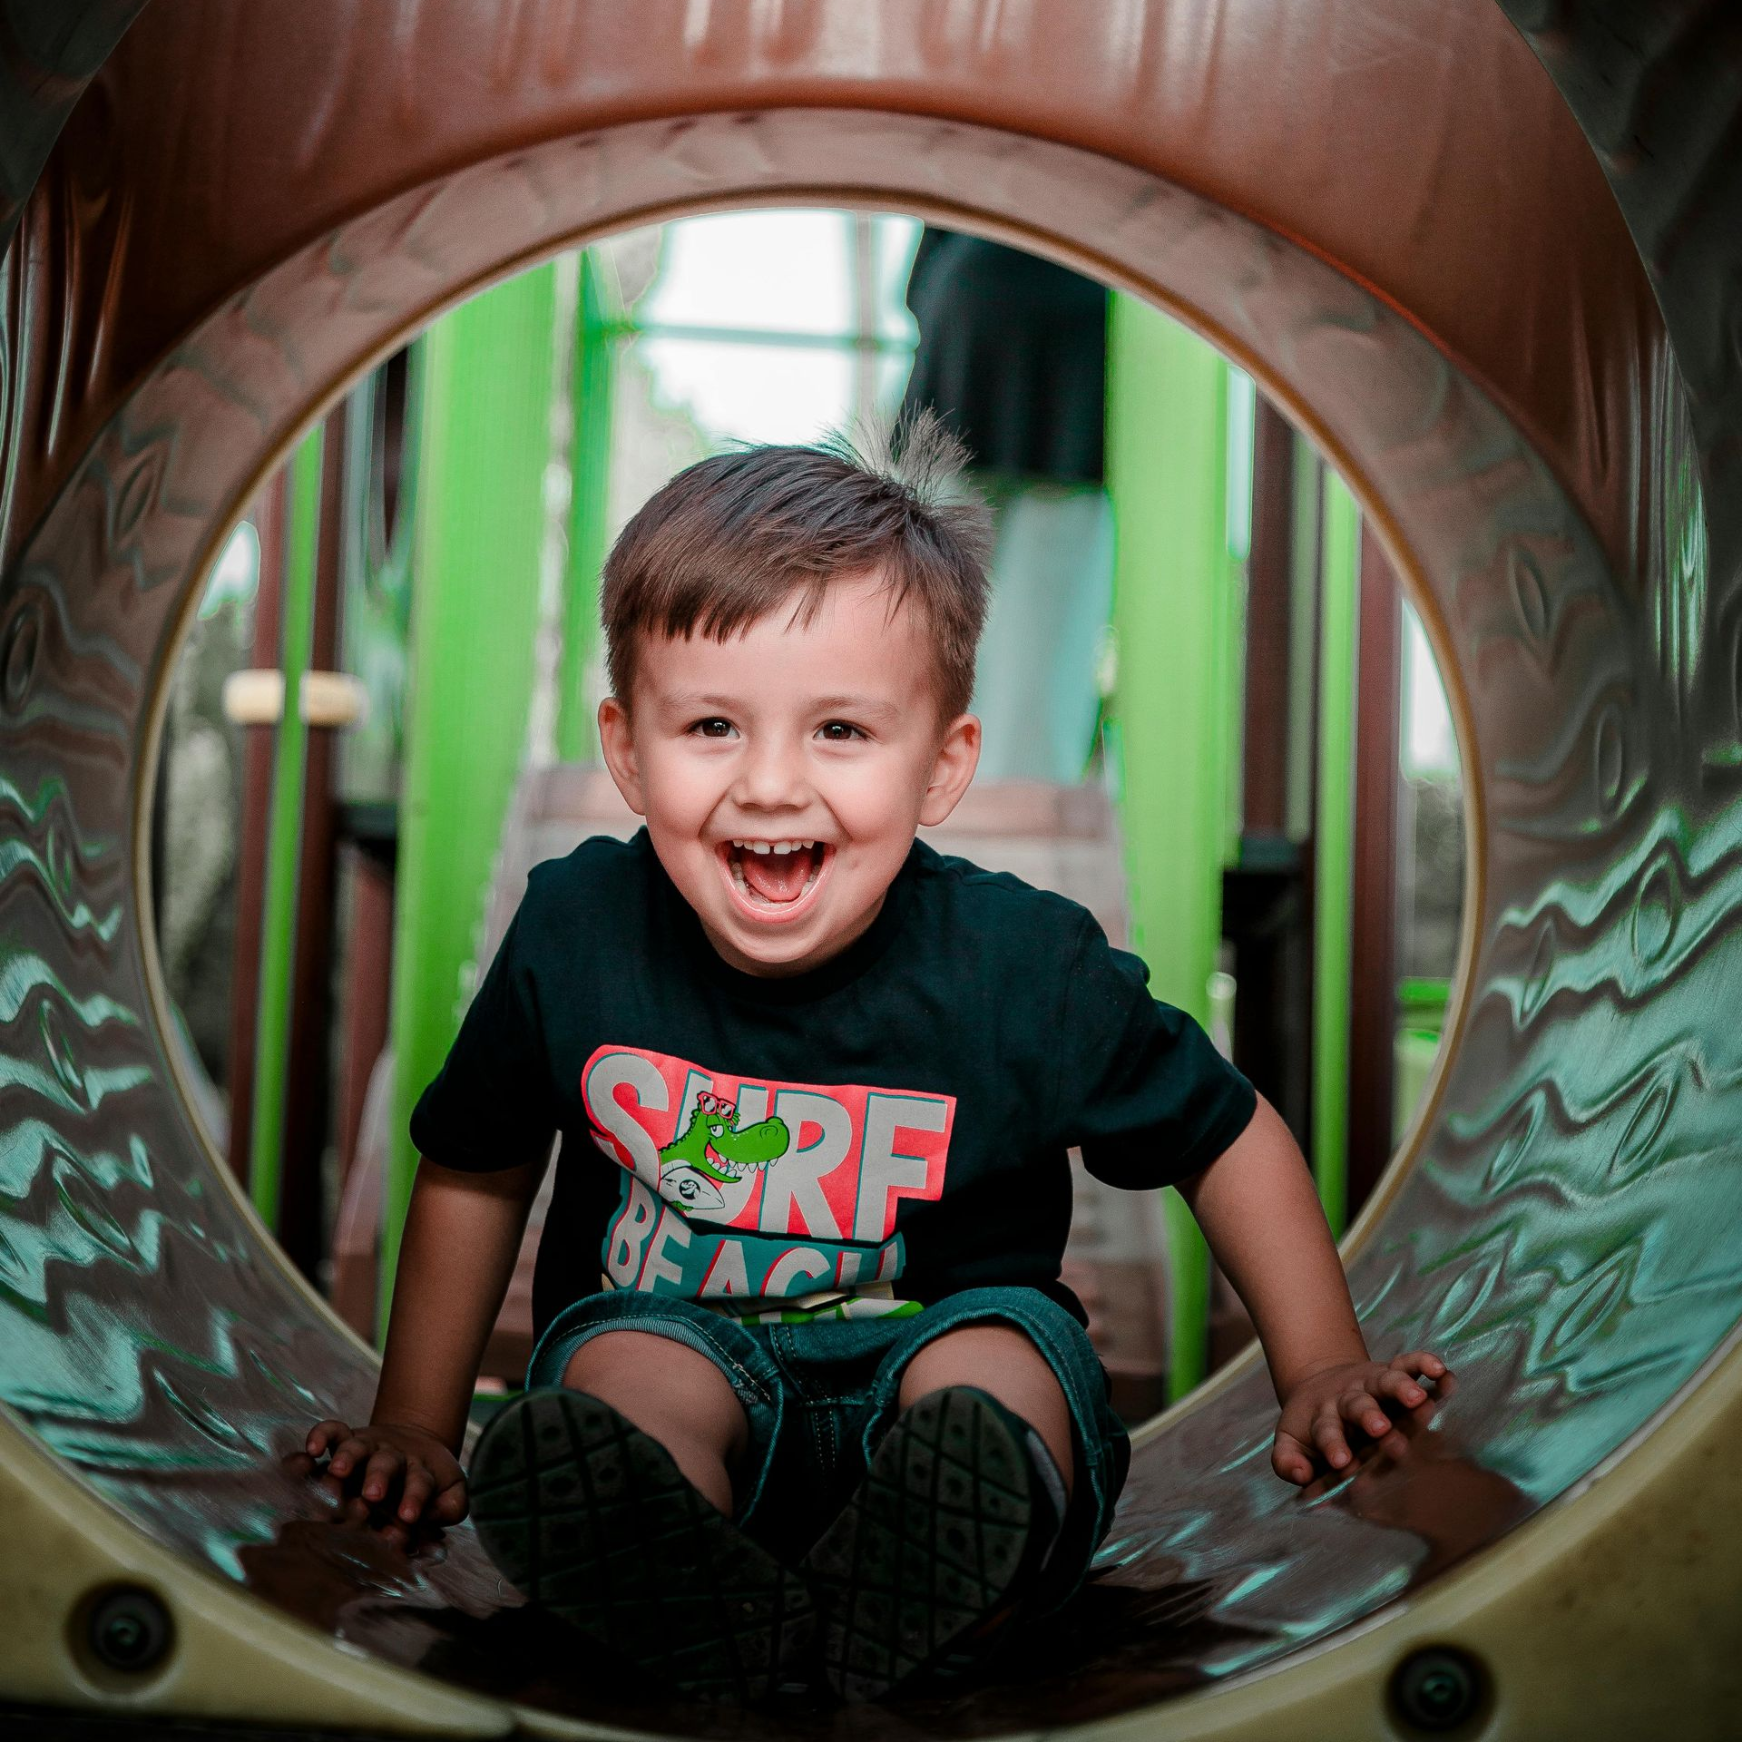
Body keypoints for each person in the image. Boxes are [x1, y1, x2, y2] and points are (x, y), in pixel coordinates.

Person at [305, 416, 1445, 1706]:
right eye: (713, 728)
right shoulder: (577, 932)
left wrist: (1319, 1368)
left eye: (842, 731)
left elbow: (1222, 1135)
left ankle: (961, 1570)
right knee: (621, 1371)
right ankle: (676, 1585)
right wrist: (417, 1421)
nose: (773, 786)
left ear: (944, 763)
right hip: (691, 1366)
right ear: (626, 752)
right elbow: (478, 1161)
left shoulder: (1020, 964)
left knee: (1000, 1364)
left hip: (936, 1361)